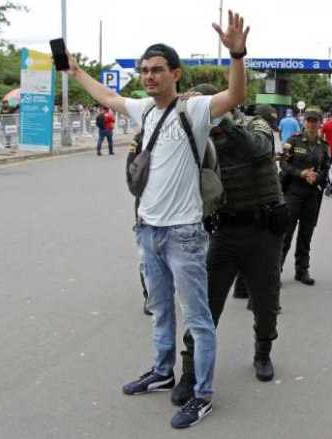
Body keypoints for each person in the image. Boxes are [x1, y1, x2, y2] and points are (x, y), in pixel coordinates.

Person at [67, 10, 249, 429]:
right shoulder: (143, 110)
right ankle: (162, 371)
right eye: (144, 70)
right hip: (147, 230)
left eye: (156, 70)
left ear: (175, 74)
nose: (148, 76)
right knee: (160, 310)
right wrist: (76, 72)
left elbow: (234, 96)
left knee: (198, 319)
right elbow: (107, 98)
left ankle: (202, 394)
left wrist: (237, 53)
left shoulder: (196, 110)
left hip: (184, 233)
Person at [171, 86, 287, 406]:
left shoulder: (254, 124)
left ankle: (263, 351)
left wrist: (223, 120)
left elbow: (260, 150)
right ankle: (190, 371)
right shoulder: (198, 139)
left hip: (263, 233)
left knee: (266, 302)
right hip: (224, 233)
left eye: (203, 107)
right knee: (205, 305)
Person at [279, 107, 330, 285]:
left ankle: (302, 271)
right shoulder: (293, 141)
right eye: (308, 120)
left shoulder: (324, 146)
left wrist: (317, 177)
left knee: (306, 235)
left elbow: (326, 168)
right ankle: (276, 270)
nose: (311, 124)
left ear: (319, 123)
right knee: (286, 234)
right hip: (293, 192)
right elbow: (284, 163)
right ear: (304, 122)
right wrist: (301, 174)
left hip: (311, 194)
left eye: (315, 121)